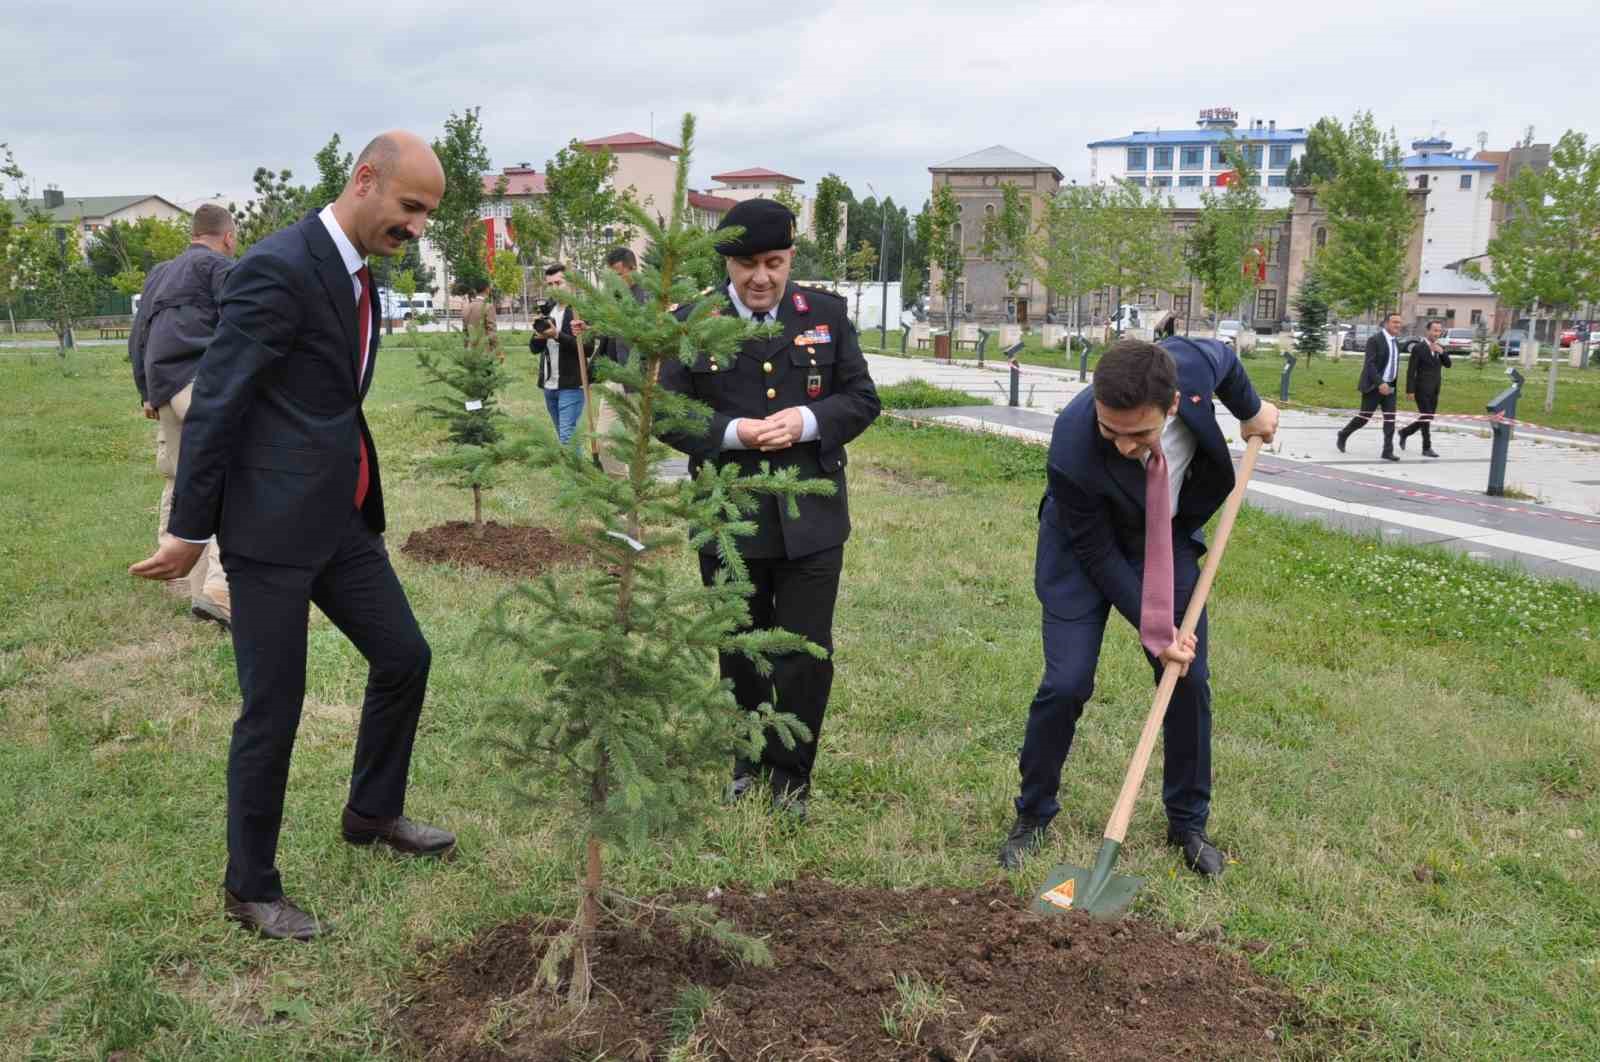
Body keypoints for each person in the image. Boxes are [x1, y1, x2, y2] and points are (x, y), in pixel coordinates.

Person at [129, 131, 456, 941]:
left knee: (404, 656)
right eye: (410, 208)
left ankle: (372, 813)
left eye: (427, 215)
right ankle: (251, 888)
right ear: (364, 180)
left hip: (338, 521)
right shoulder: (278, 266)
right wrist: (187, 531)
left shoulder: (361, 276)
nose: (417, 227)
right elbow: (221, 402)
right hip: (270, 530)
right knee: (273, 707)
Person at [998, 336, 1279, 875]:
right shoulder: (1072, 447)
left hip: (1163, 539)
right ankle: (1033, 815)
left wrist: (1252, 409)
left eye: (1140, 433)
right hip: (1083, 552)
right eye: (1112, 431)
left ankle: (1188, 822)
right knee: (1066, 683)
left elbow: (1225, 359)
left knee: (1187, 678)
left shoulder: (1187, 369)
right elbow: (1099, 554)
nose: (1125, 446)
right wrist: (1156, 628)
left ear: (1174, 403)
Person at [657, 198, 881, 819]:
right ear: (727, 263)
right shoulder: (693, 320)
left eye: (774, 263)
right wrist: (735, 433)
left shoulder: (826, 315)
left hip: (812, 520)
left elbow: (862, 398)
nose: (761, 278)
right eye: (747, 265)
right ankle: (746, 762)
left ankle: (791, 779)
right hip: (729, 518)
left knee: (806, 652)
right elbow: (671, 415)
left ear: (790, 260)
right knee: (740, 647)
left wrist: (808, 420)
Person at [128, 203, 237, 626]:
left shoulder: (159, 273)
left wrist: (146, 391)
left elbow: (140, 334)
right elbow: (239, 326)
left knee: (181, 480)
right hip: (202, 387)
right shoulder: (220, 268)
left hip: (164, 387)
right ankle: (220, 588)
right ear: (228, 236)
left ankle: (194, 591)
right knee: (234, 478)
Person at [592, 247, 648, 474]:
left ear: (632, 269)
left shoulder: (649, 296)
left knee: (635, 446)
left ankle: (635, 501)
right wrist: (588, 328)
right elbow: (609, 330)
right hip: (616, 378)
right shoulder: (616, 297)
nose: (614, 281)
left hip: (640, 380)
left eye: (618, 274)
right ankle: (621, 494)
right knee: (604, 439)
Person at [530, 263, 589, 445]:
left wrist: (557, 335)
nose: (554, 288)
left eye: (558, 283)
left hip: (571, 384)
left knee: (567, 437)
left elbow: (586, 349)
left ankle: (574, 473)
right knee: (566, 437)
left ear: (571, 283)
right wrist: (539, 335)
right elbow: (534, 348)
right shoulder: (548, 309)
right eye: (550, 284)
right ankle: (579, 471)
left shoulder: (579, 310)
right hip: (550, 385)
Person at [1336, 312, 1404, 461]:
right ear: (1386, 323)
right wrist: (1380, 383)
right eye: (1394, 322)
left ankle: (1387, 451)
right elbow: (1370, 365)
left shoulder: (1396, 342)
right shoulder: (1375, 340)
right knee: (1364, 417)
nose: (1398, 325)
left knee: (1390, 419)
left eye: (1399, 322)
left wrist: (1389, 384)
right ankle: (1343, 434)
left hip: (1390, 388)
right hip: (1374, 386)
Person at [1397, 319, 1450, 457]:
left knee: (1428, 417)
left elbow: (1448, 364)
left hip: (1435, 389)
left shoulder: (1440, 347)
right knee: (1426, 417)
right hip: (1421, 389)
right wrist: (1410, 390)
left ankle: (1405, 432)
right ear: (1428, 331)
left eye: (1439, 331)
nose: (1437, 333)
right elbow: (1411, 371)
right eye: (1435, 330)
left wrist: (1442, 352)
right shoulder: (1419, 348)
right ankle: (1426, 447)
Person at [461, 276, 501, 361]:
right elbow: (491, 331)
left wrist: (466, 348)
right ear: (487, 289)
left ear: (475, 290)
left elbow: (465, 332)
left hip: (470, 351)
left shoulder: (466, 307)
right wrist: (498, 351)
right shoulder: (488, 307)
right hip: (484, 352)